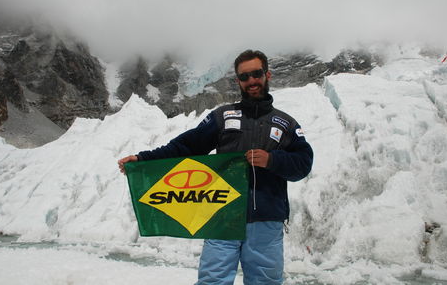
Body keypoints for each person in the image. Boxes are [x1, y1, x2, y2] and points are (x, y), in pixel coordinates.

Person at [118, 49, 313, 285]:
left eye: (256, 73)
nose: (251, 80)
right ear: (238, 81)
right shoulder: (222, 116)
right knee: (213, 281)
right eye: (244, 76)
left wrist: (272, 160)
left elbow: (303, 163)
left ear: (267, 75)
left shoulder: (286, 124)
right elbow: (186, 147)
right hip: (222, 216)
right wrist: (144, 159)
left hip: (266, 221)